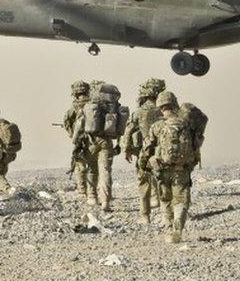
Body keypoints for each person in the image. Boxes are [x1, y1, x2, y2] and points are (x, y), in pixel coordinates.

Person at [142, 90, 206, 243]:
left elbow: (147, 148)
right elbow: (196, 144)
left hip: (163, 170)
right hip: (182, 169)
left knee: (166, 200)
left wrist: (145, 163)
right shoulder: (187, 124)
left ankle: (169, 230)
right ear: (174, 104)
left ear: (160, 107)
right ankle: (178, 227)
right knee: (182, 200)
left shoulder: (157, 126)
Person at [76, 83, 127, 212]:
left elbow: (80, 125)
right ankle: (105, 202)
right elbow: (121, 128)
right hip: (107, 142)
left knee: (92, 169)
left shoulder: (89, 106)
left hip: (91, 142)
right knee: (105, 171)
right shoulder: (113, 108)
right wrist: (119, 144)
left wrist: (76, 142)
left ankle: (92, 197)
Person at [122, 78, 166, 223]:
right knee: (165, 182)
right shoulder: (166, 110)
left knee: (144, 183)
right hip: (164, 152)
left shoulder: (139, 112)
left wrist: (126, 150)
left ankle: (145, 216)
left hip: (145, 152)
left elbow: (128, 131)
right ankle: (166, 214)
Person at [63, 81, 91, 199]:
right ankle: (93, 190)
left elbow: (66, 121)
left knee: (80, 165)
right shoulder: (93, 104)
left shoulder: (74, 106)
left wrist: (72, 134)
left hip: (80, 139)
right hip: (94, 139)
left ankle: (82, 190)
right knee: (93, 165)